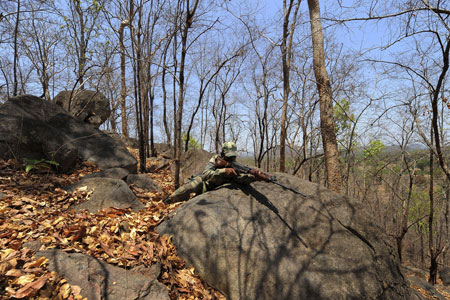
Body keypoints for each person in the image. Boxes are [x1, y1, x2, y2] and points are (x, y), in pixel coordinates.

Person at [163, 142, 260, 204]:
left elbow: (241, 179)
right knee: (188, 188)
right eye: (229, 156)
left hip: (216, 191)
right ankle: (168, 201)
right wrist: (224, 171)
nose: (231, 158)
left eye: (233, 156)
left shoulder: (235, 165)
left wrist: (254, 177)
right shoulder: (216, 159)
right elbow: (206, 174)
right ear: (223, 153)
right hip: (205, 184)